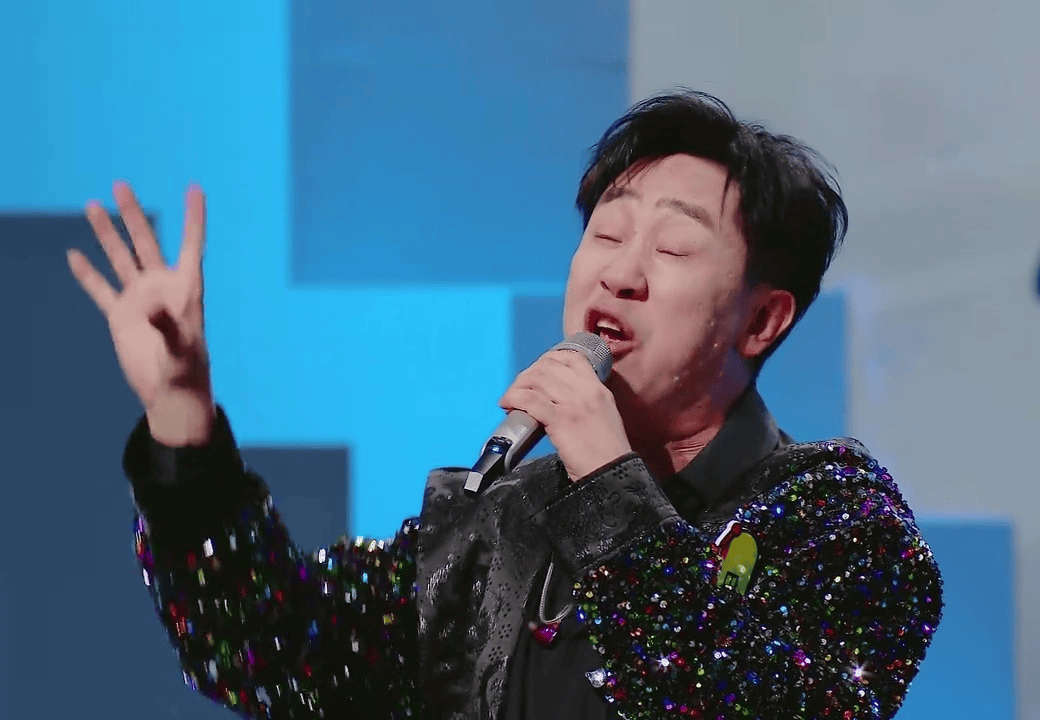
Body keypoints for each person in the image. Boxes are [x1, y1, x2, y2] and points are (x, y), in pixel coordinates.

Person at [67, 91, 943, 719]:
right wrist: (181, 416)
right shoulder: (500, 518)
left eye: (674, 247)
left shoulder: (837, 519)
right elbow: (268, 645)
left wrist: (609, 488)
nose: (619, 271)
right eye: (606, 233)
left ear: (762, 319)